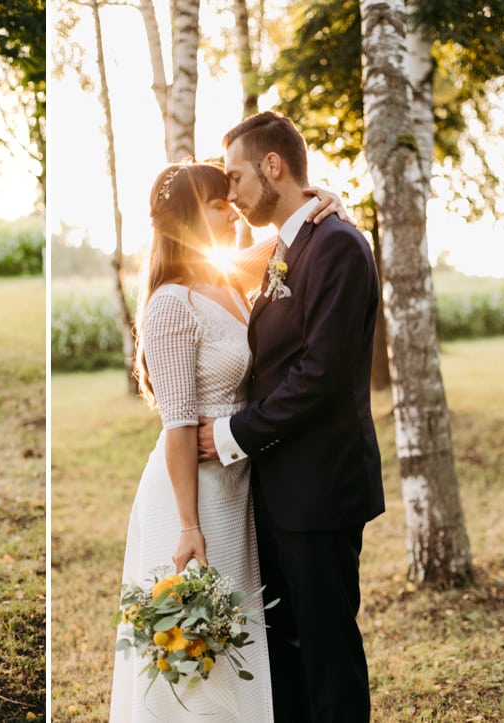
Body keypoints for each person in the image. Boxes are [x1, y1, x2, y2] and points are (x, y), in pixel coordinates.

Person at [109, 160, 350, 722]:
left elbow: (288, 239)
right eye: (221, 204)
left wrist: (324, 198)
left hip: (240, 486)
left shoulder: (227, 278)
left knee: (237, 637)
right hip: (190, 497)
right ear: (196, 215)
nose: (233, 210)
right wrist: (190, 526)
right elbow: (176, 428)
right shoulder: (170, 302)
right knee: (194, 649)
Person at [199, 111, 385, 722]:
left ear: (273, 165)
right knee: (289, 651)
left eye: (235, 176)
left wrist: (231, 434)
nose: (230, 193)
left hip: (322, 487)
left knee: (327, 654)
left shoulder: (337, 245)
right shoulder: (292, 242)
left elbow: (321, 377)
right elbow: (236, 267)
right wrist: (320, 199)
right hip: (283, 489)